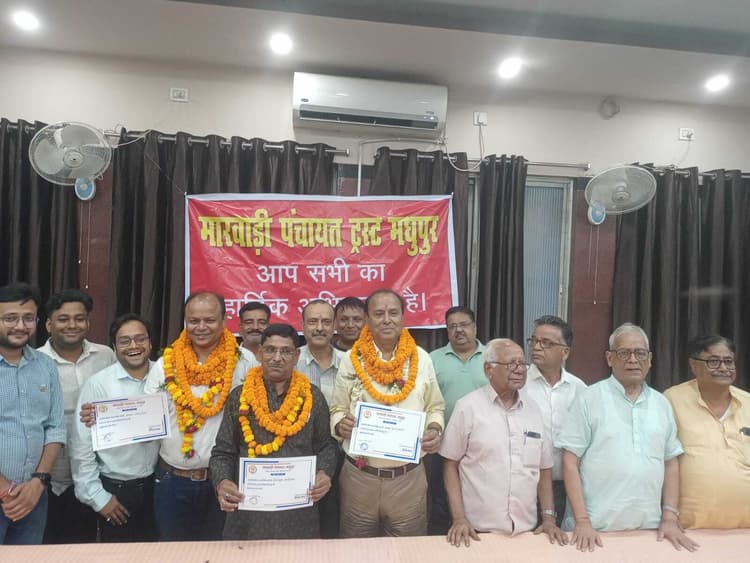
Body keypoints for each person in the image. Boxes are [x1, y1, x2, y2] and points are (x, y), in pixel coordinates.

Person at [556, 323, 698, 552]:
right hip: (593, 531)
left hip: (649, 529)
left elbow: (671, 462)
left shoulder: (661, 403)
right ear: (609, 358)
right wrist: (582, 521)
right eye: (624, 353)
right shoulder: (588, 399)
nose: (633, 360)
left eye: (640, 353)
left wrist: (670, 517)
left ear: (649, 359)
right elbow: (570, 462)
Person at [330, 289, 445, 537]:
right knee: (357, 550)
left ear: (403, 317)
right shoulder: (352, 359)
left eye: (393, 313)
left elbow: (435, 407)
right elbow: (337, 408)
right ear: (367, 319)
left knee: (407, 551)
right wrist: (340, 424)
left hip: (408, 477)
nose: (386, 320)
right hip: (360, 477)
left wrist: (435, 429)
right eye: (378, 313)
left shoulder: (421, 359)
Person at [210, 323, 337, 540]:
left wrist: (324, 473)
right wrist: (222, 482)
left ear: (296, 356)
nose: (277, 358)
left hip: (299, 515)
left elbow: (326, 447)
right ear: (260, 353)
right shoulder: (239, 397)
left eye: (286, 351)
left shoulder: (312, 397)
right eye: (270, 350)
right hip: (248, 514)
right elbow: (223, 452)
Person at [143, 292, 252, 541]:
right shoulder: (165, 364)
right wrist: (103, 419)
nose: (201, 327)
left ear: (224, 320)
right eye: (193, 321)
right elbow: (146, 418)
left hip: (225, 482)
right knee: (174, 553)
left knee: (221, 553)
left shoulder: (245, 363)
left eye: (209, 320)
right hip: (172, 480)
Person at [440, 339, 568, 547]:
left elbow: (544, 469)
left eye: (522, 363)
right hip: (476, 533)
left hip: (526, 531)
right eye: (511, 364)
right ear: (488, 369)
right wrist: (459, 519)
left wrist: (549, 519)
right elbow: (450, 465)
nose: (519, 369)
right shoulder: (468, 407)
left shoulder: (533, 410)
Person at [70, 314, 159, 542]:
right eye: (125, 341)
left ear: (150, 343)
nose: (134, 346)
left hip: (159, 487)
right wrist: (99, 498)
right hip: (115, 491)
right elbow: (81, 447)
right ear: (114, 347)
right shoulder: (99, 384)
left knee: (162, 554)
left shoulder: (167, 378)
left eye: (140, 339)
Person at [38, 289, 116, 543]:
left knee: (85, 548)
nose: (72, 325)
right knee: (44, 549)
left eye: (79, 318)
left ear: (88, 323)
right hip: (46, 477)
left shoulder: (106, 356)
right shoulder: (35, 361)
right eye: (63, 319)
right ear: (49, 324)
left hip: (95, 474)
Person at [0, 283, 65, 545]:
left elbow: (55, 427)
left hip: (34, 495)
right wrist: (5, 490)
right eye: (10, 318)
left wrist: (38, 482)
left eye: (28, 318)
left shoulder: (46, 365)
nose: (20, 326)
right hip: (8, 494)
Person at [664, 335, 750, 529]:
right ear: (694, 365)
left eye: (728, 361)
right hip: (690, 529)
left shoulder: (748, 403)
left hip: (746, 531)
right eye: (713, 361)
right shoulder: (671, 400)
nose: (723, 367)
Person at [520, 315, 586, 525]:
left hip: (566, 484)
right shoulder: (519, 385)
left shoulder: (580, 389)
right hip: (524, 485)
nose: (537, 347)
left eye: (546, 343)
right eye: (534, 341)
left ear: (565, 352)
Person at [428, 306, 486, 534]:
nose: (458, 330)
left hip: (483, 447)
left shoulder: (492, 357)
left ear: (475, 327)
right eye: (452, 326)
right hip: (441, 446)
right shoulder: (432, 359)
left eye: (464, 325)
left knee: (480, 500)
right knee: (441, 502)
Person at [296, 299, 344, 405]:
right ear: (303, 326)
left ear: (334, 326)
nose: (319, 328)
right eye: (312, 322)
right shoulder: (291, 362)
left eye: (326, 322)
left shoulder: (349, 362)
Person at [237, 301, 271, 366]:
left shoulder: (277, 358)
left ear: (268, 327)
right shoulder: (228, 356)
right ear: (240, 328)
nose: (255, 327)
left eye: (262, 322)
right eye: (249, 322)